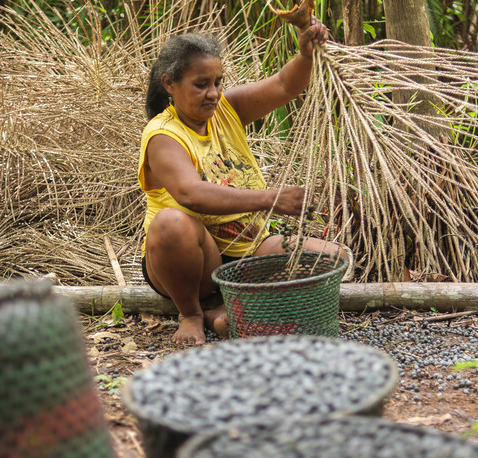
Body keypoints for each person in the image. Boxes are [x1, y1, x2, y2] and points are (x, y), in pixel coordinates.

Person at [138, 19, 344, 344]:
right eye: (201, 84)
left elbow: (284, 86)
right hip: (194, 261)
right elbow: (190, 194)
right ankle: (192, 312)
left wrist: (305, 55)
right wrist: (270, 199)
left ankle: (229, 309)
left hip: (248, 251)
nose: (213, 93)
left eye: (218, 82)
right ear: (169, 84)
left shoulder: (225, 109)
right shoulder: (164, 135)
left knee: (332, 258)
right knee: (170, 223)